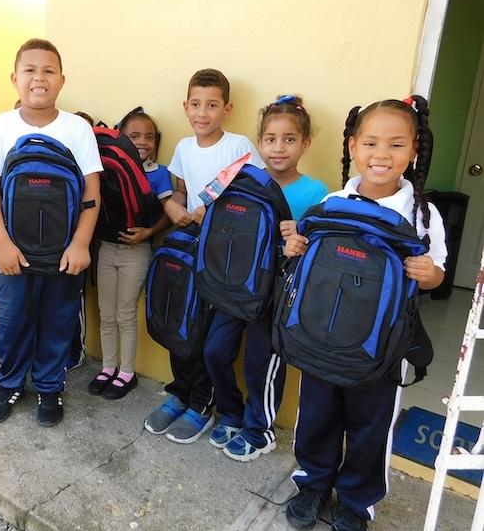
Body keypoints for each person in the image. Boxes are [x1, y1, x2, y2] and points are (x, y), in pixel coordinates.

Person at [283, 96, 446, 531]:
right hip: (323, 333)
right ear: (353, 147)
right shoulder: (334, 202)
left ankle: (356, 501)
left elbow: (437, 275)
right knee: (316, 414)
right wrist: (295, 246)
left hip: (383, 346)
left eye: (396, 145)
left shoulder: (422, 215)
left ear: (413, 151)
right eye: (371, 143)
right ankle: (313, 483)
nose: (381, 155)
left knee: (370, 426)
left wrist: (428, 272)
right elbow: (308, 257)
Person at [0, 38, 102, 427]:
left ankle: (49, 385)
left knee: (57, 320)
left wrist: (81, 243)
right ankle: (10, 382)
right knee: (11, 320)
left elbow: (91, 193)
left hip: (63, 253)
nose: (38, 78)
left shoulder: (78, 129)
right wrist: (0, 243)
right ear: (15, 78)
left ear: (62, 80)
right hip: (12, 252)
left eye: (48, 71)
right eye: (29, 70)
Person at [203, 95, 328, 462]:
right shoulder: (242, 181)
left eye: (289, 139)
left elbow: (317, 248)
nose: (278, 148)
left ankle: (260, 429)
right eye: (270, 139)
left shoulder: (315, 192)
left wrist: (298, 236)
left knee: (262, 363)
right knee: (214, 350)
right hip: (237, 287)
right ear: (259, 142)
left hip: (276, 294)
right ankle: (230, 412)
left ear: (305, 144)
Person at [143, 68, 265, 444]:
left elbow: (256, 198)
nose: (203, 112)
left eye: (212, 105)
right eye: (196, 104)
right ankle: (180, 391)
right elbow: (181, 193)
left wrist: (212, 214)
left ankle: (202, 403)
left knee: (208, 335)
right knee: (183, 323)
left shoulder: (239, 146)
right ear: (186, 106)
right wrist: (176, 210)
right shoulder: (182, 148)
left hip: (225, 258)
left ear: (226, 109)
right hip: (190, 250)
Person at [88, 108, 172, 400]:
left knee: (125, 314)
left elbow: (167, 213)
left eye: (150, 136)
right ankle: (108, 367)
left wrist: (149, 232)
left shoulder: (160, 174)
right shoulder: (107, 167)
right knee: (106, 313)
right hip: (107, 249)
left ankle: (127, 371)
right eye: (134, 135)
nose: (143, 141)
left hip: (137, 252)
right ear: (122, 138)